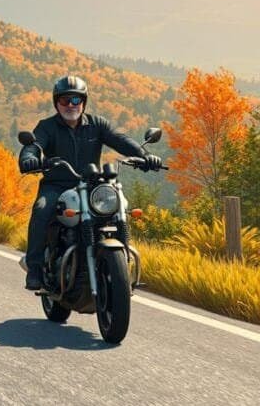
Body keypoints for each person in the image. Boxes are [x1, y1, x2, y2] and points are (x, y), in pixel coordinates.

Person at [17, 75, 163, 291]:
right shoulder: (46, 127)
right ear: (56, 102)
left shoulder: (97, 124)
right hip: (57, 185)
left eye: (76, 100)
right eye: (65, 100)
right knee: (41, 209)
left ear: (84, 102)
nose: (70, 105)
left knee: (118, 208)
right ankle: (35, 268)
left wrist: (144, 155)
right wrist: (29, 158)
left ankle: (123, 266)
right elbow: (35, 146)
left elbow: (120, 140)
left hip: (91, 186)